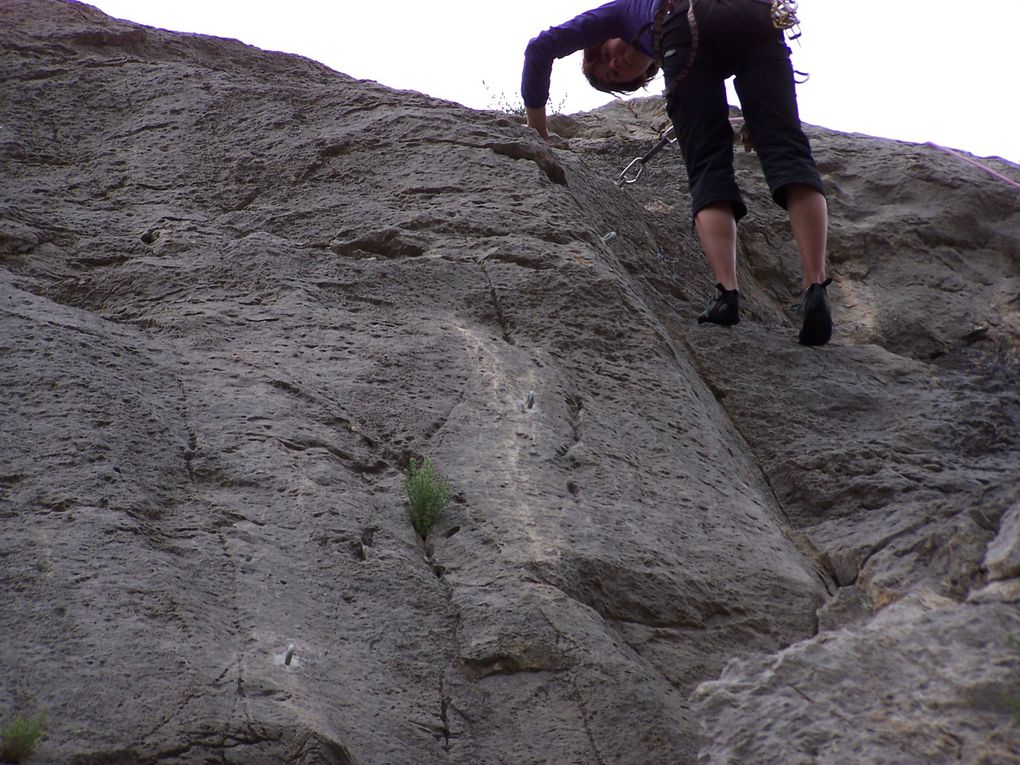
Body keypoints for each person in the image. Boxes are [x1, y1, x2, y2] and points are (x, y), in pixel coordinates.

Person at [521, 0, 833, 346]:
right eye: (611, 75)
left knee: (707, 166)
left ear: (605, 37)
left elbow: (539, 48)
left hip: (683, 23)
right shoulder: (640, 29)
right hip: (754, 15)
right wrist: (755, 115)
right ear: (639, 80)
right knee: (788, 150)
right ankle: (814, 286)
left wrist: (537, 133)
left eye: (602, 55)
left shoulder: (619, 13)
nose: (613, 62)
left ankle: (727, 293)